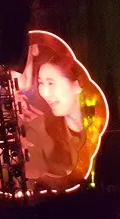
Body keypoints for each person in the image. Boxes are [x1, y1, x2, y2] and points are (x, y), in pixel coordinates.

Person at [21, 47, 88, 185]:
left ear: (76, 86)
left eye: (51, 83)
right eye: (41, 83)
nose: (45, 92)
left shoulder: (95, 127)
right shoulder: (41, 126)